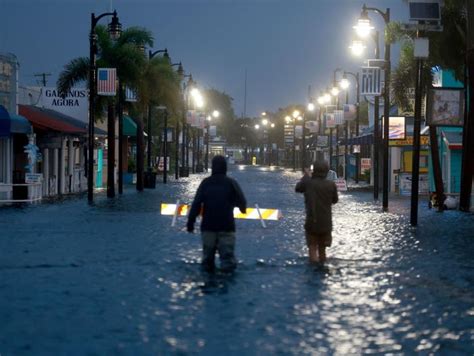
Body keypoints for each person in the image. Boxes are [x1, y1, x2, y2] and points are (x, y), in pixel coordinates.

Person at [187, 155, 247, 272]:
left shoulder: (205, 183)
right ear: (225, 167)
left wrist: (191, 222)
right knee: (228, 261)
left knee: (207, 262)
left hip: (208, 227)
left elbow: (196, 204)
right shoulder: (231, 183)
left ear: (212, 167)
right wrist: (242, 209)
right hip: (227, 227)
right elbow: (242, 201)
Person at [295, 160, 338, 263]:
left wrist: (306, 176)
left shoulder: (309, 183)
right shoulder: (331, 185)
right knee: (322, 249)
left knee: (312, 247)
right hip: (326, 223)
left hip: (312, 221)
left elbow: (298, 188)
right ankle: (322, 266)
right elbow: (335, 200)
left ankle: (313, 266)